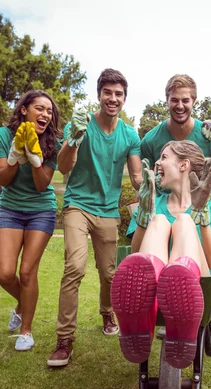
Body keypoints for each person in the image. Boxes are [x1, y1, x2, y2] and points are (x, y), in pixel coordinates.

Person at [47, 69, 142, 367]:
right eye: (108, 93)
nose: (113, 98)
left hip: (108, 210)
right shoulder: (81, 124)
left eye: (118, 94)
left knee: (109, 273)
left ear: (124, 99)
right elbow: (64, 166)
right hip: (77, 205)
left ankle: (106, 312)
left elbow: (137, 176)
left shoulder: (129, 135)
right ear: (99, 94)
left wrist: (154, 184)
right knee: (74, 266)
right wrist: (74, 138)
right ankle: (64, 340)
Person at [111, 140, 211, 369]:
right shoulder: (153, 203)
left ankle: (178, 280)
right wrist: (144, 215)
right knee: (159, 219)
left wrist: (201, 214)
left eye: (164, 157)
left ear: (184, 165)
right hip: (154, 287)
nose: (157, 162)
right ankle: (144, 320)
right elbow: (135, 257)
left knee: (184, 221)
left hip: (197, 283)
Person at [0, 89, 62, 351]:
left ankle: (26, 331)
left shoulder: (53, 143)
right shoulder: (1, 135)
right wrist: (15, 155)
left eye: (49, 111)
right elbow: (2, 179)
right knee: (5, 273)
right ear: (24, 110)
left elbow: (42, 185)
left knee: (27, 272)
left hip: (41, 210)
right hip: (11, 209)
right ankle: (23, 304)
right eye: (40, 109)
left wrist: (34, 156)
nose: (45, 114)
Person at [140, 74, 211, 199]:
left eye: (185, 100)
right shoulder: (150, 140)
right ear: (167, 101)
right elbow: (146, 184)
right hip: (161, 212)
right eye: (174, 100)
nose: (180, 106)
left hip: (201, 210)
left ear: (194, 102)